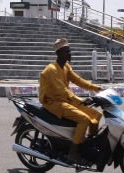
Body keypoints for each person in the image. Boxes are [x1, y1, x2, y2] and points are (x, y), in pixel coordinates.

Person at [39, 38, 102, 166]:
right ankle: (72, 153)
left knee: (96, 115)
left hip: (65, 100)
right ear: (59, 54)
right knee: (84, 119)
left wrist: (97, 88)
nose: (70, 54)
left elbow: (78, 80)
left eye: (70, 51)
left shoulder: (66, 67)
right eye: (67, 52)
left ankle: (88, 145)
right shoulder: (52, 69)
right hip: (53, 103)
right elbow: (62, 90)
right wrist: (80, 100)